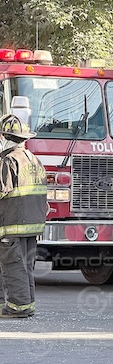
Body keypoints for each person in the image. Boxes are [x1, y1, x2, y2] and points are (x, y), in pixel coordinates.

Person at [0, 114, 47, 318]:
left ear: (5, 136)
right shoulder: (34, 159)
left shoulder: (9, 160)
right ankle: (27, 304)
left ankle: (17, 307)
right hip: (32, 223)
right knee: (25, 264)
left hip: (13, 223)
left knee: (13, 264)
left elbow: (2, 190)